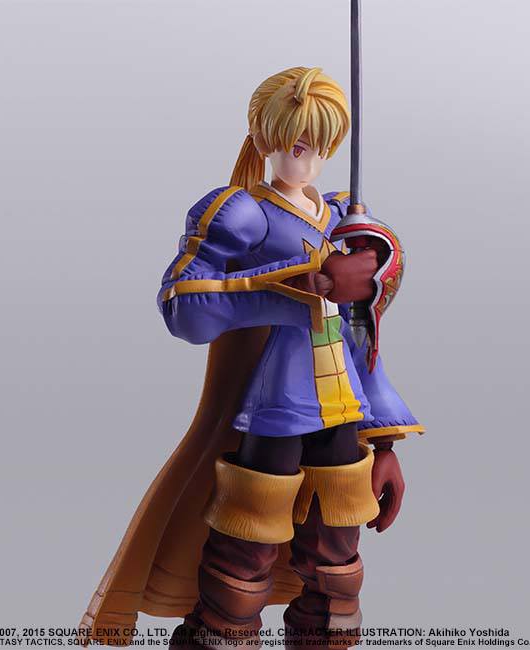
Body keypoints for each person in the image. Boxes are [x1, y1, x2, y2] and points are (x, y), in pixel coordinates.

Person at [79, 66, 424, 650]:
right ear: (265, 138)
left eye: (322, 145)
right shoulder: (244, 213)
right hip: (275, 405)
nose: (309, 159)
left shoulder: (346, 219)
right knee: (244, 556)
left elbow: (362, 335)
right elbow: (183, 306)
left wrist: (386, 443)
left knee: (337, 568)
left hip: (342, 408)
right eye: (298, 144)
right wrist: (297, 286)